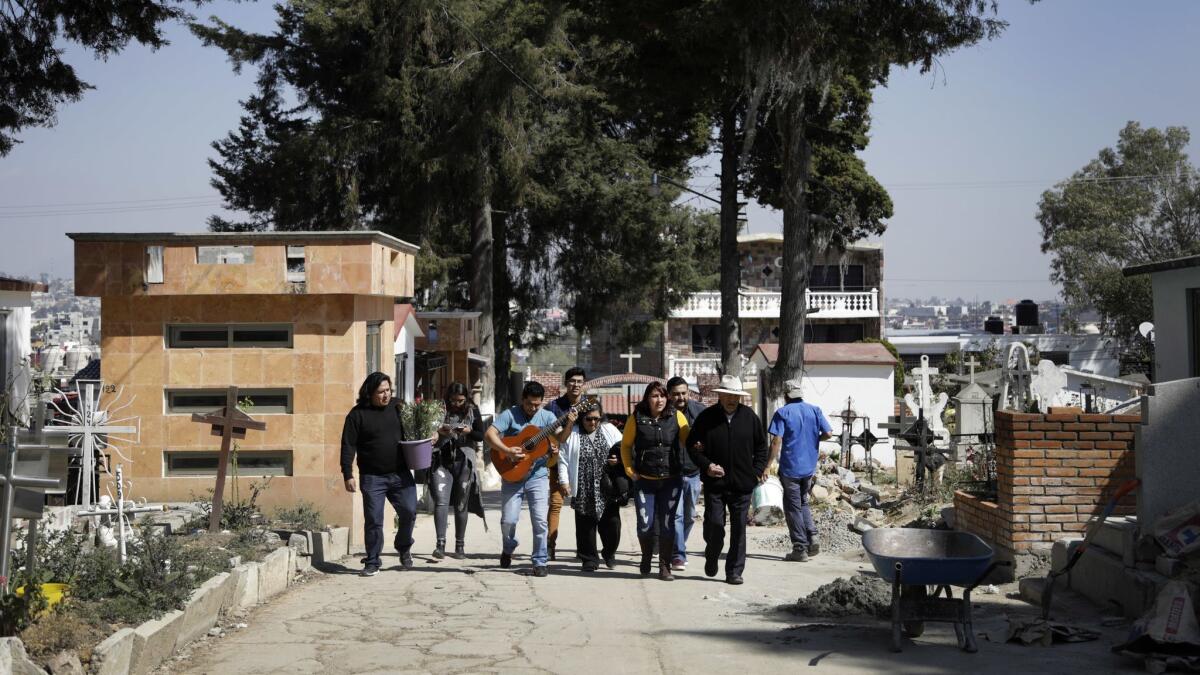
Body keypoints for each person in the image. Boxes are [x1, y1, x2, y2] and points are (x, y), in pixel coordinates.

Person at [686, 375, 768, 585]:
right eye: (728, 395)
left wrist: (756, 472)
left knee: (739, 529)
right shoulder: (707, 418)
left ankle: (734, 571)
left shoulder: (750, 417)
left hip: (743, 485)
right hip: (716, 484)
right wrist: (707, 465)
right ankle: (712, 554)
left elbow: (761, 448)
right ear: (720, 396)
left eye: (735, 396)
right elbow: (693, 446)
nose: (732, 399)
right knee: (715, 525)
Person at [341, 372, 416, 577]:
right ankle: (373, 561)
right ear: (370, 393)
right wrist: (348, 473)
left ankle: (403, 545)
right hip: (372, 477)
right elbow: (348, 446)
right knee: (374, 519)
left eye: (389, 390)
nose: (386, 395)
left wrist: (433, 434)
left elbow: (417, 428)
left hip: (400, 474)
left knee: (409, 511)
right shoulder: (357, 415)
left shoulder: (399, 407)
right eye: (381, 392)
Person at [485, 381, 559, 577]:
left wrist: (554, 447)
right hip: (513, 475)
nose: (533, 409)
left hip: (538, 476)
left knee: (540, 522)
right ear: (522, 400)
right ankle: (509, 546)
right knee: (508, 520)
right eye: (529, 404)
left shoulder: (549, 418)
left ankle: (540, 561)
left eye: (537, 405)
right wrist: (507, 451)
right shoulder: (510, 414)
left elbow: (559, 439)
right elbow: (489, 434)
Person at [620, 381, 690, 581]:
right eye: (654, 396)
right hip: (645, 481)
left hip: (671, 480)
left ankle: (665, 566)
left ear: (666, 398)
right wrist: (628, 468)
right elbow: (626, 446)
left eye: (661, 396)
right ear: (647, 399)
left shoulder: (677, 416)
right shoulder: (636, 418)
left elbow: (691, 441)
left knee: (668, 524)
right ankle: (646, 556)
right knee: (645, 525)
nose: (658, 400)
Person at [767, 378, 832, 562]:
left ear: (786, 395)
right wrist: (814, 440)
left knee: (792, 507)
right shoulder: (814, 410)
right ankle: (813, 537)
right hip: (809, 468)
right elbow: (828, 433)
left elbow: (776, 441)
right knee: (803, 502)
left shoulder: (783, 412)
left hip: (791, 469)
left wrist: (767, 465)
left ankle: (799, 548)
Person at [560, 402, 624, 571]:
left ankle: (609, 553)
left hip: (607, 486)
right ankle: (589, 559)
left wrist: (618, 461)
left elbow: (624, 449)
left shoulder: (609, 429)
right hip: (583, 486)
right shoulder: (573, 434)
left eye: (597, 419)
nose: (593, 423)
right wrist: (564, 481)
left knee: (612, 525)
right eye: (589, 419)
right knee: (585, 527)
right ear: (582, 419)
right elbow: (563, 458)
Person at [429, 382, 488, 559]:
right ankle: (440, 544)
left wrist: (468, 431)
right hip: (441, 458)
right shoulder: (440, 408)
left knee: (461, 502)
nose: (456, 404)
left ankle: (459, 546)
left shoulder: (472, 410)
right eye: (453, 400)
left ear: (466, 398)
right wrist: (439, 430)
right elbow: (428, 428)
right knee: (441, 500)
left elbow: (480, 434)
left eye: (460, 401)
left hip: (464, 460)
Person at [543, 367, 586, 561]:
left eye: (579, 381)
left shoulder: (589, 406)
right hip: (557, 460)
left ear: (583, 384)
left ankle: (584, 548)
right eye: (572, 381)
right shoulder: (553, 407)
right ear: (566, 383)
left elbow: (599, 428)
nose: (575, 385)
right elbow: (540, 431)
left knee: (583, 506)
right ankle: (550, 546)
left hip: (582, 462)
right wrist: (549, 446)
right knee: (555, 504)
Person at [667, 376, 706, 571]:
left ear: (688, 393)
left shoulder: (700, 412)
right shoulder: (664, 414)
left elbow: (710, 438)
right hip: (671, 473)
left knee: (690, 515)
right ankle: (678, 555)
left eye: (683, 393)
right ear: (669, 395)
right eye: (675, 394)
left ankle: (677, 545)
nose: (680, 397)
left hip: (694, 472)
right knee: (677, 515)